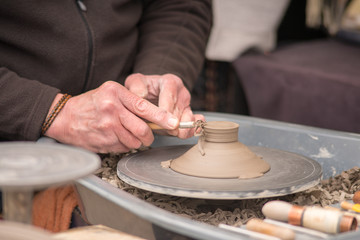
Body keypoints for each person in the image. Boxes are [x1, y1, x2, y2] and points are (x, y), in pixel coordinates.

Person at [0, 0, 212, 153]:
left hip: (125, 149)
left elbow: (180, 5)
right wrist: (51, 110)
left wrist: (161, 67)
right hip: (11, 152)